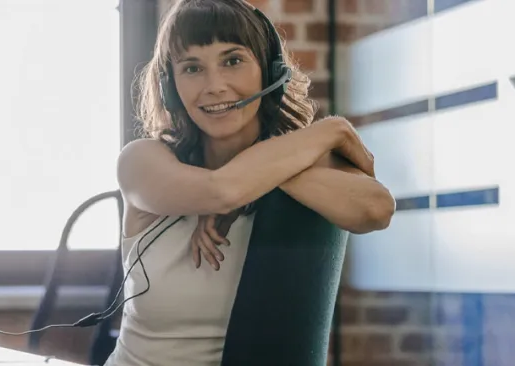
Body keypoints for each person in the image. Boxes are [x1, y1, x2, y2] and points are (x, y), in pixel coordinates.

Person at [106, 0, 396, 365]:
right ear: (169, 86)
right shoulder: (142, 162)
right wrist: (330, 130)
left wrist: (266, 177)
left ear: (270, 70)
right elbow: (222, 190)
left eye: (233, 60)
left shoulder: (302, 164)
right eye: (192, 67)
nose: (215, 86)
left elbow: (377, 209)